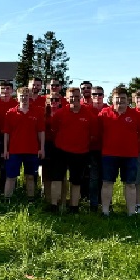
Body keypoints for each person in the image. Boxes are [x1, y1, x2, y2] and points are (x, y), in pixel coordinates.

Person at [45, 85, 96, 213]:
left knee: (76, 181)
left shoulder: (88, 114)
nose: (74, 99)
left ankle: (74, 207)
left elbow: (93, 134)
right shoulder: (60, 114)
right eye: (71, 97)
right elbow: (54, 130)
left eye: (77, 96)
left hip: (80, 152)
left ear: (80, 97)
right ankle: (54, 206)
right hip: (60, 151)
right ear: (67, 99)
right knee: (56, 179)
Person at [97, 87, 140, 215]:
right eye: (117, 99)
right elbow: (98, 133)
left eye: (123, 98)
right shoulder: (104, 113)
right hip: (108, 154)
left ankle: (131, 212)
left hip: (130, 155)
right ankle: (105, 211)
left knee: (130, 184)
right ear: (112, 99)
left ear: (128, 100)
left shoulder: (136, 115)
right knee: (107, 183)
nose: (120, 101)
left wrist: (129, 144)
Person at [0, 88, 45, 201]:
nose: (24, 98)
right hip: (14, 150)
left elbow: (41, 132)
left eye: (26, 96)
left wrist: (42, 148)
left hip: (32, 150)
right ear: (17, 97)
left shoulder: (37, 112)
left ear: (29, 97)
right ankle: (7, 200)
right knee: (11, 177)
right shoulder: (10, 112)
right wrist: (6, 149)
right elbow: (6, 133)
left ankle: (30, 200)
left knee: (30, 177)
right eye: (21, 96)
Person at [85, 85, 107, 208]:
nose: (97, 97)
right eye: (94, 94)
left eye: (99, 94)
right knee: (93, 177)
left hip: (107, 149)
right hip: (91, 148)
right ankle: (93, 204)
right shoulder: (86, 109)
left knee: (106, 178)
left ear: (103, 96)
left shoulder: (109, 109)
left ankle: (105, 202)